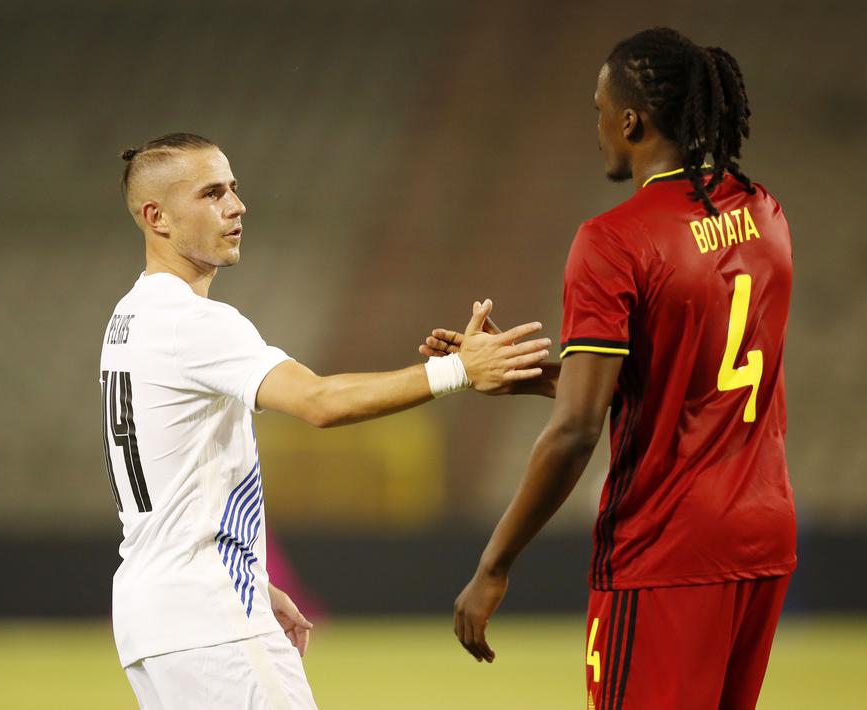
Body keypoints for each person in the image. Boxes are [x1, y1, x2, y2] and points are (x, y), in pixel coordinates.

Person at [102, 132, 552, 709]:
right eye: (212, 193)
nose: (237, 206)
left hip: (158, 617)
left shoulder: (130, 317)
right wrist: (459, 371)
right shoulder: (190, 321)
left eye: (234, 189)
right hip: (208, 619)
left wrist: (254, 584)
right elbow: (318, 401)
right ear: (155, 216)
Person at [432, 28, 796, 710]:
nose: (596, 124)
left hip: (666, 544)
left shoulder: (614, 240)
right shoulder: (762, 212)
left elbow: (575, 430)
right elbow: (683, 376)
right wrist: (525, 372)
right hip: (762, 533)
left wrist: (492, 566)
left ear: (629, 120)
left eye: (598, 108)